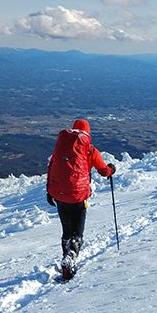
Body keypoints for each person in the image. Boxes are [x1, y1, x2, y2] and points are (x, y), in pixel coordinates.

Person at [46, 118, 116, 279]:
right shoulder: (89, 150)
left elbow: (51, 168)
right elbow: (104, 171)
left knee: (66, 231)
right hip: (78, 196)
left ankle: (66, 261)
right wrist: (112, 169)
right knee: (77, 232)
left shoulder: (60, 148)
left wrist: (49, 191)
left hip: (60, 195)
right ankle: (70, 257)